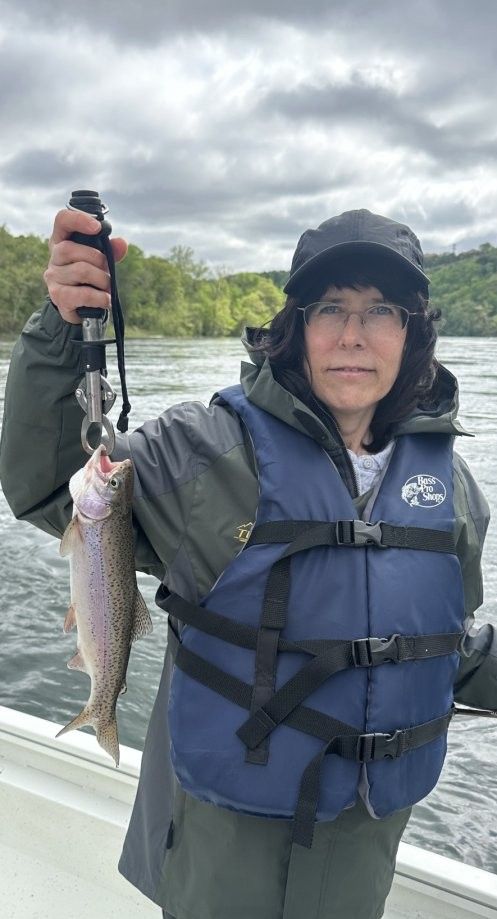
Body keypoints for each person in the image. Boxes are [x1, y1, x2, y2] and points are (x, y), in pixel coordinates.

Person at [1, 206, 496, 919]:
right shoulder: (202, 447)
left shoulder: (451, 488)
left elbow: (443, 642)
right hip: (221, 850)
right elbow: (50, 485)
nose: (352, 335)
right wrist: (60, 327)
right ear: (294, 326)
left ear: (412, 330)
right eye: (330, 307)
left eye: (380, 309)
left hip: (359, 858)